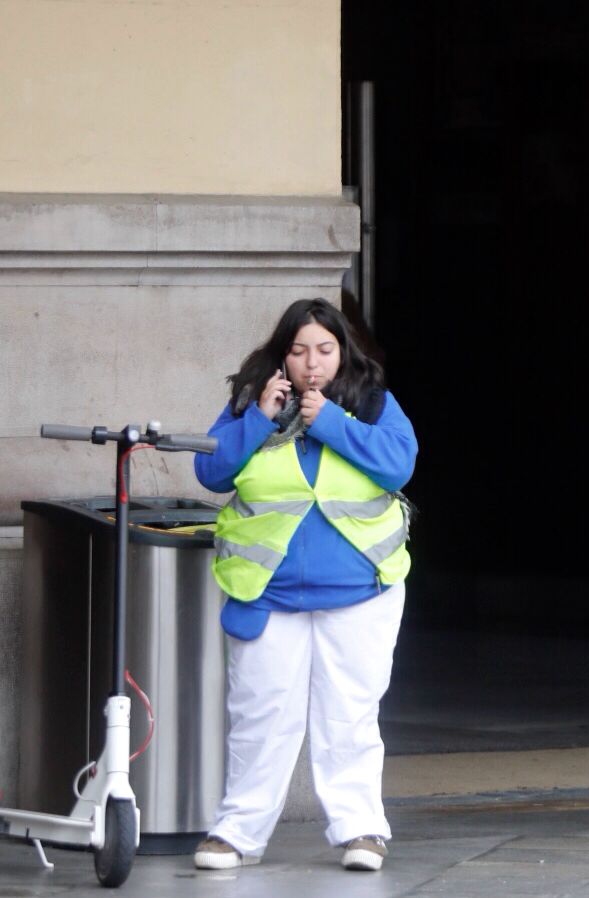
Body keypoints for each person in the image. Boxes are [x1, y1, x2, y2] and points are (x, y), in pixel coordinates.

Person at [191, 298, 417, 871]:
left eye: (324, 349)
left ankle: (362, 831)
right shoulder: (251, 404)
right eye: (298, 351)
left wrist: (334, 423)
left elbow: (398, 464)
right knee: (259, 717)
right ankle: (236, 832)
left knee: (350, 717)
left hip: (360, 592)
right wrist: (258, 420)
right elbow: (211, 471)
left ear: (343, 353)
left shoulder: (371, 403)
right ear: (281, 357)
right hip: (268, 592)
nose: (311, 364)